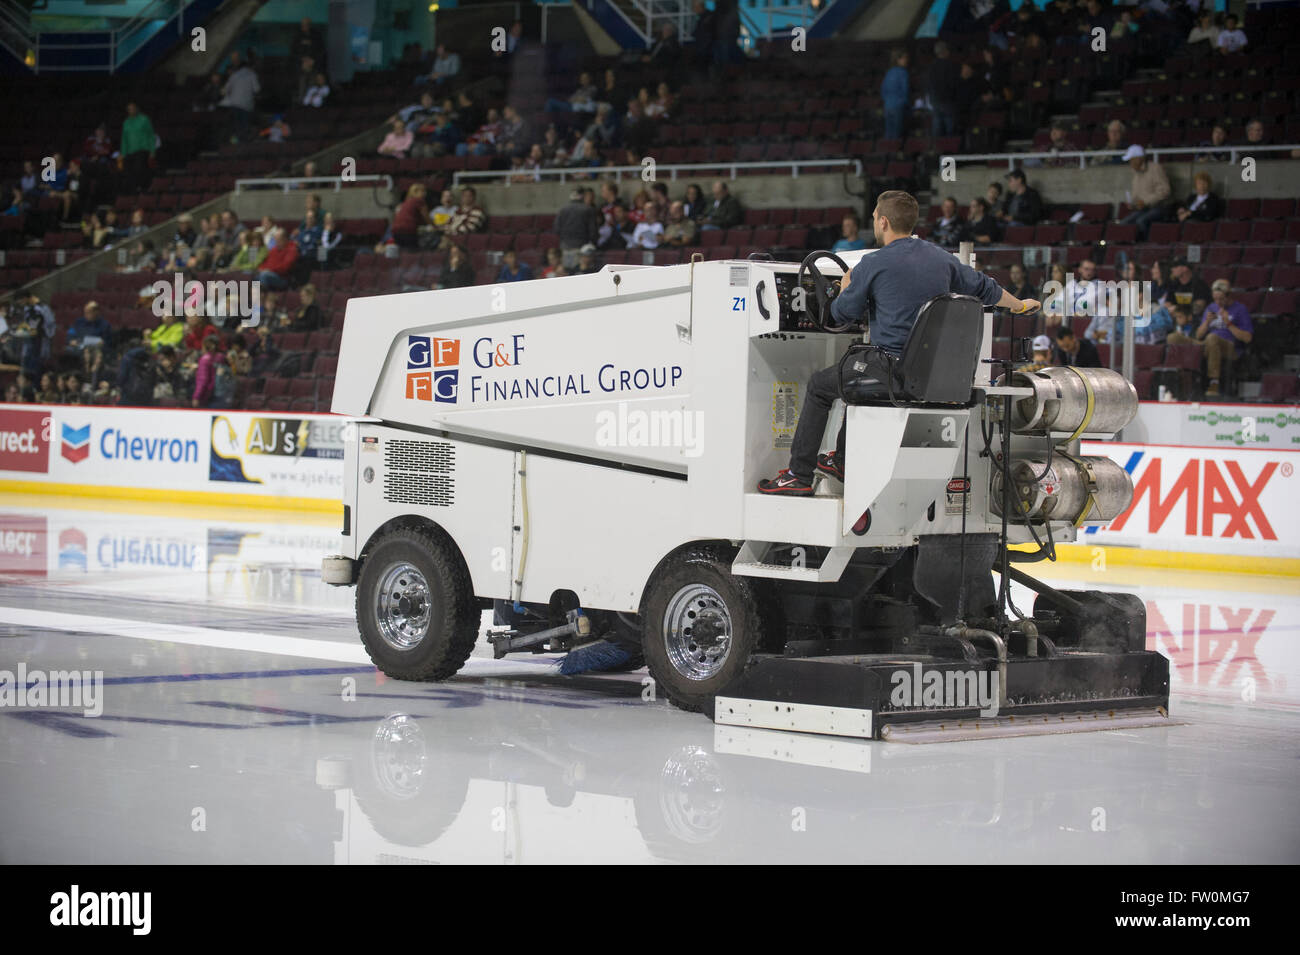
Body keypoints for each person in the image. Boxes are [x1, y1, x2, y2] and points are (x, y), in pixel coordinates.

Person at [756, 191, 1040, 496]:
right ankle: (840, 460)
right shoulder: (942, 259)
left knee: (822, 384)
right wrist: (1020, 305)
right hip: (937, 379)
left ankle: (798, 475)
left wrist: (844, 287)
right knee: (854, 372)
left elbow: (840, 314)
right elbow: (988, 289)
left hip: (892, 373)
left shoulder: (873, 263)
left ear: (883, 221)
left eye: (876, 219)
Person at [1171, 279, 1252, 396]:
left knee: (1212, 337)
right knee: (1173, 338)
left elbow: (1247, 338)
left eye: (1221, 299)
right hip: (1207, 344)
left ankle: (1214, 382)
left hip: (1230, 348)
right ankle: (1176, 377)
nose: (1218, 302)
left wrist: (1228, 323)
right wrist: (1206, 322)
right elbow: (1198, 336)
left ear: (1228, 296)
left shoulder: (1240, 309)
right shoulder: (1211, 308)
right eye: (1215, 299)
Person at [1118, 145, 1170, 240]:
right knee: (1123, 224)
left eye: (1132, 160)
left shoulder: (1155, 168)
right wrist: (1133, 204)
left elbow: (1165, 191)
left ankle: (1144, 246)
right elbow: (1137, 196)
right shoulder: (1135, 173)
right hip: (1143, 209)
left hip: (1159, 207)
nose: (1131, 163)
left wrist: (1145, 202)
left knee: (1141, 221)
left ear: (1140, 158)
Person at [554, 188, 602, 266]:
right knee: (578, 273)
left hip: (565, 247)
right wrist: (593, 245)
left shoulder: (563, 210)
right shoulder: (588, 209)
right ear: (583, 196)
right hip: (582, 248)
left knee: (567, 273)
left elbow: (556, 229)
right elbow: (593, 231)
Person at [121, 103, 156, 194]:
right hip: (129, 152)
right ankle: (133, 191)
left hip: (142, 150)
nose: (131, 110)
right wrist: (123, 154)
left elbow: (151, 135)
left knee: (139, 169)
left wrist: (152, 151)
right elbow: (124, 139)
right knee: (128, 172)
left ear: (137, 109)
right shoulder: (126, 122)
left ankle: (143, 189)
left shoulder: (144, 119)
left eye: (132, 108)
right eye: (129, 109)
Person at [926, 41, 959, 137]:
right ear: (945, 51)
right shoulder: (950, 65)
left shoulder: (931, 66)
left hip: (935, 100)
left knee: (937, 126)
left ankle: (937, 148)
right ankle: (949, 148)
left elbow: (928, 84)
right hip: (947, 100)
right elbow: (954, 83)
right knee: (950, 127)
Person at [881, 49, 910, 141]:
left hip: (888, 106)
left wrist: (887, 102)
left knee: (889, 134)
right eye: (904, 58)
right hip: (898, 106)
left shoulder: (889, 72)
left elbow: (883, 90)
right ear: (898, 59)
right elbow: (905, 91)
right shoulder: (903, 73)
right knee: (897, 135)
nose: (906, 60)